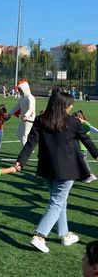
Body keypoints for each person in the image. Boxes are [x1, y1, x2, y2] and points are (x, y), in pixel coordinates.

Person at [15, 89, 98, 253]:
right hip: (66, 170)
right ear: (61, 106)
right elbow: (87, 140)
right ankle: (40, 236)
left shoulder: (40, 120)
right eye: (69, 104)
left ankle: (65, 235)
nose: (72, 106)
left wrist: (20, 161)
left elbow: (31, 143)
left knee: (60, 200)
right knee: (57, 202)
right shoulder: (73, 122)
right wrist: (96, 155)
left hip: (46, 169)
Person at [73, 110, 98, 183]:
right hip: (77, 146)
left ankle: (90, 175)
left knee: (83, 161)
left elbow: (95, 130)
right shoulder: (76, 124)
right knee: (78, 161)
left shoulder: (86, 124)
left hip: (82, 147)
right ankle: (82, 175)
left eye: (76, 118)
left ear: (80, 117)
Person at [10, 79, 36, 146]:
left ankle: (26, 153)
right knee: (19, 134)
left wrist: (26, 116)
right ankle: (29, 150)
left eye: (20, 89)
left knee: (24, 136)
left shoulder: (30, 97)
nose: (19, 91)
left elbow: (31, 108)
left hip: (29, 120)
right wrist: (9, 114)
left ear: (25, 89)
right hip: (24, 119)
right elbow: (17, 106)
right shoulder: (22, 98)